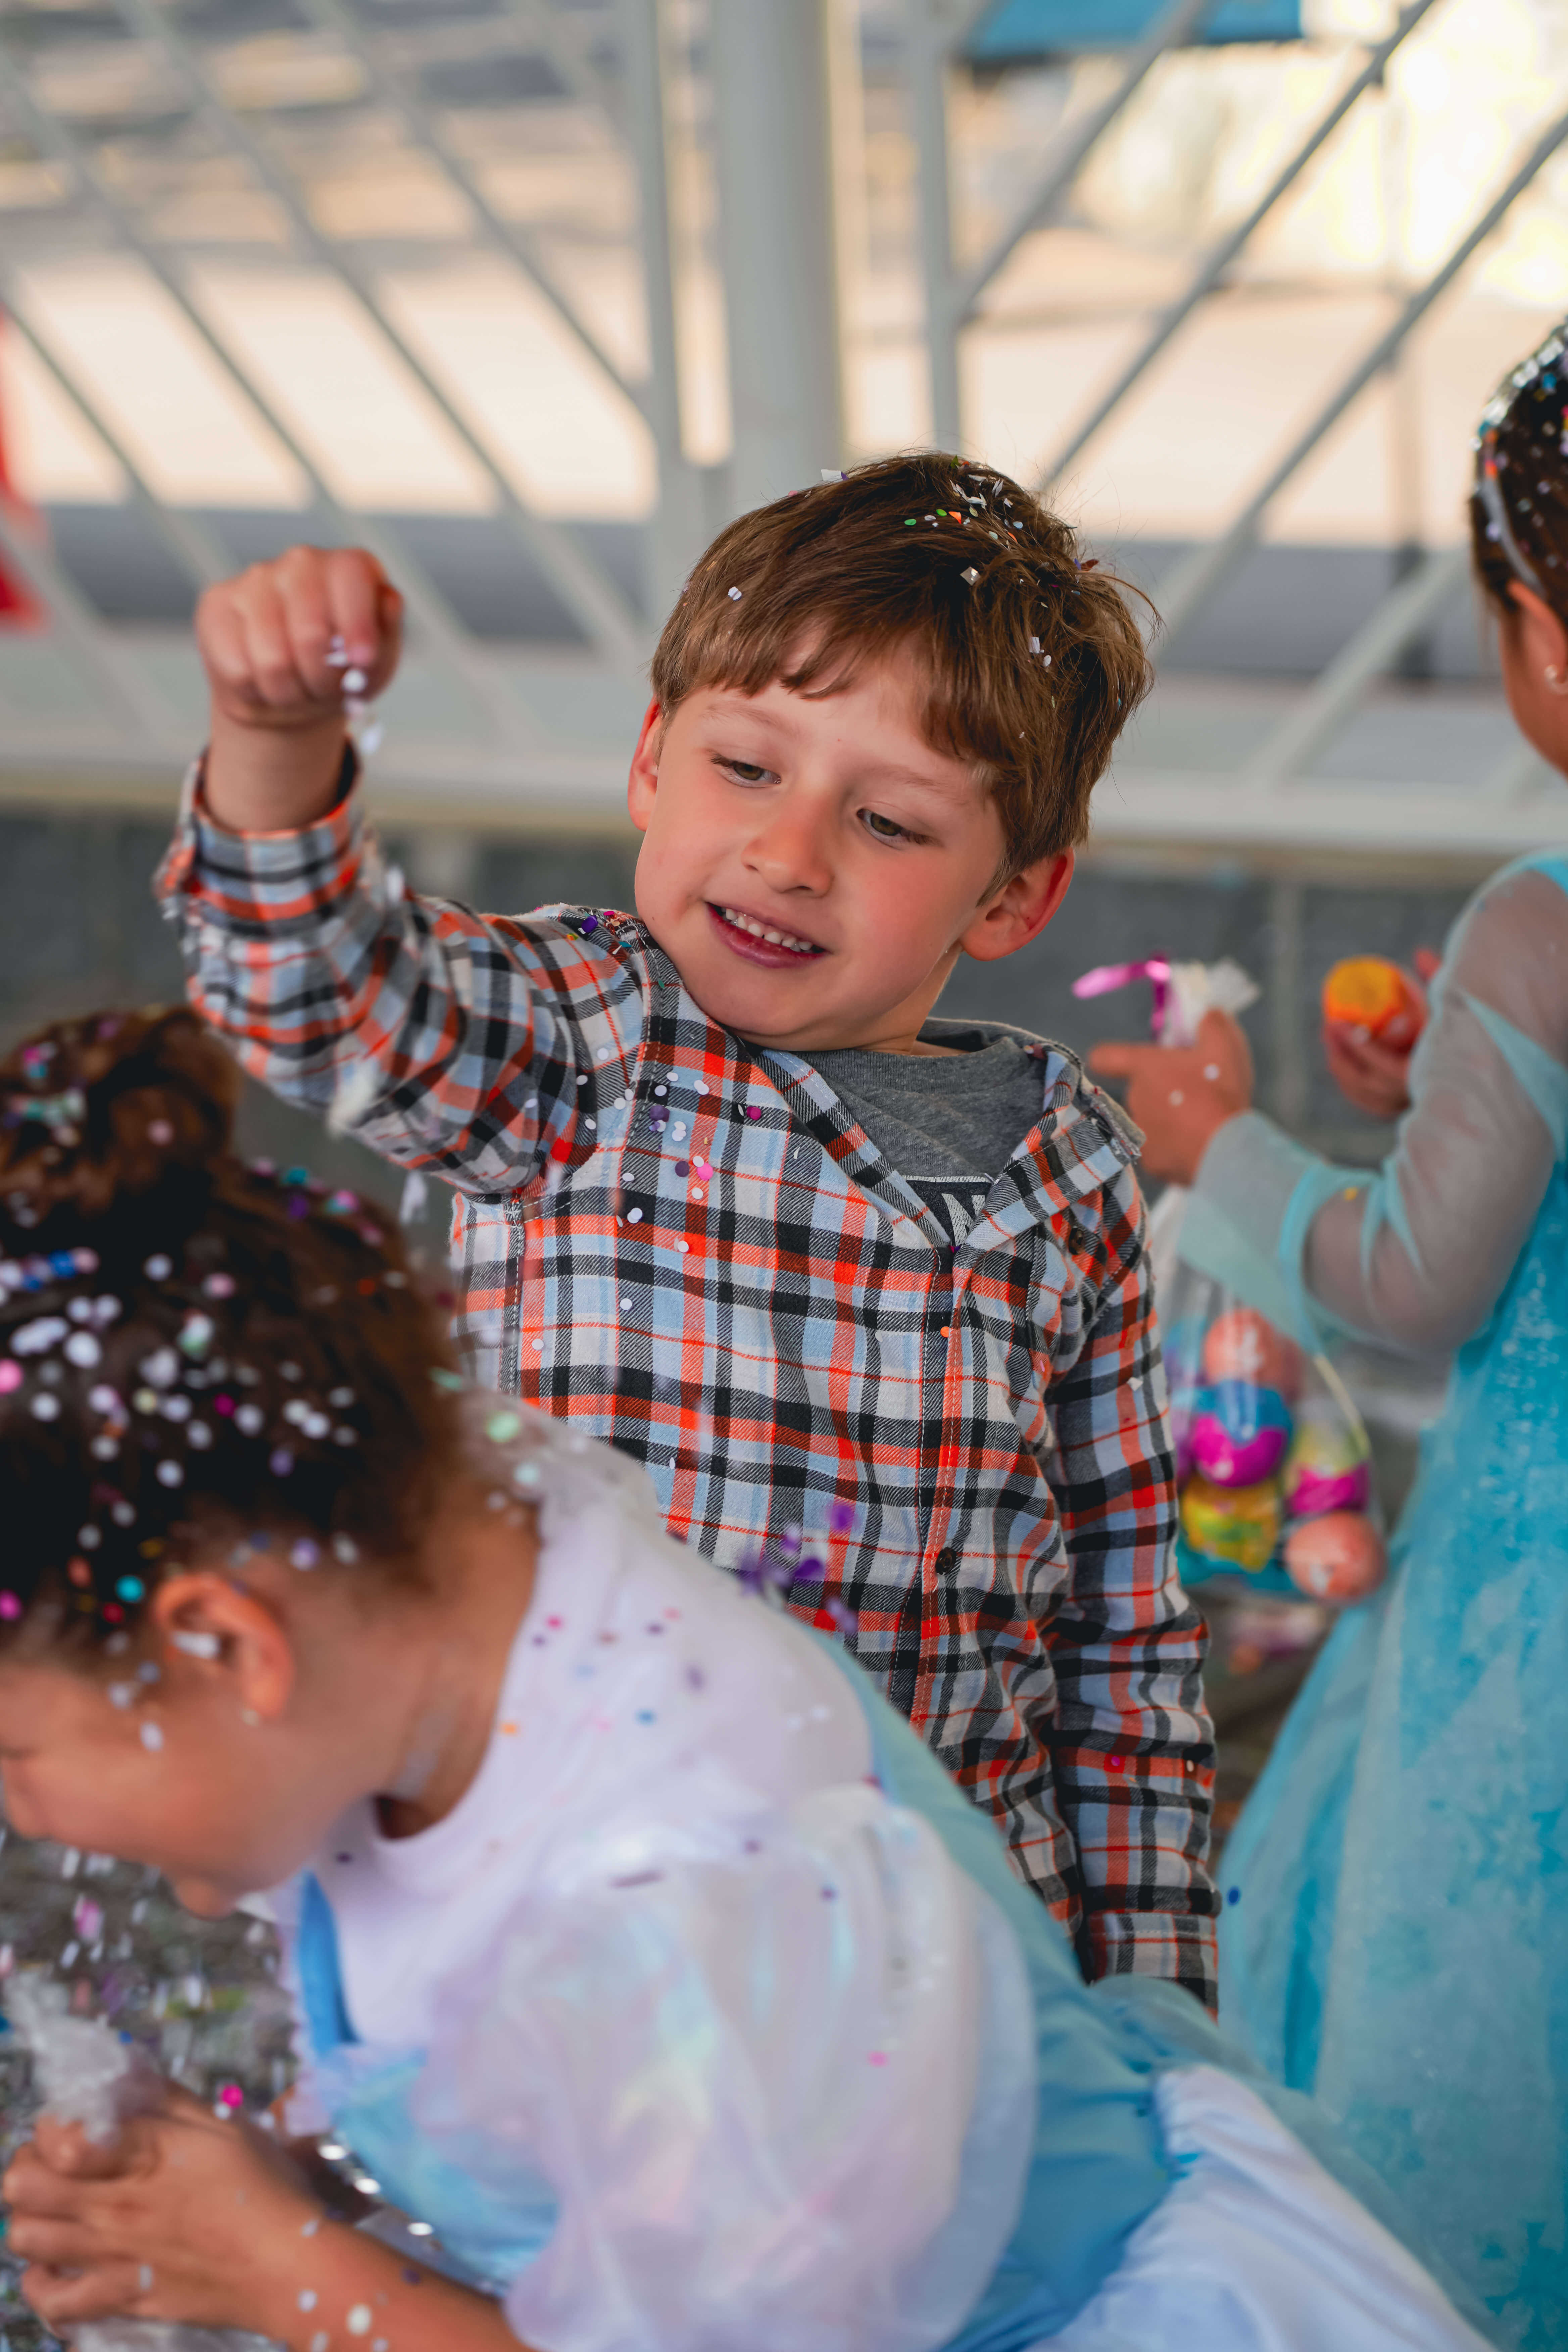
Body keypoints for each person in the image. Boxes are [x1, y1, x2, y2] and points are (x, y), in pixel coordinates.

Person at [0, 1005, 1490, 2352]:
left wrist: (285, 2271)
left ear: (227, 1647)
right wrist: (298, 2188)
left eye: (14, 1758)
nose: (22, 1817)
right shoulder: (421, 1593)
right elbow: (579, 2141)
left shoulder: (685, 1894)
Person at [154, 454, 1218, 2007]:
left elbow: (1124, 1648)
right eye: (746, 768)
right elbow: (312, 989)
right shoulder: (579, 1048)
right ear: (652, 759)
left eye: (889, 821)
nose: (790, 855)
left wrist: (1157, 2012)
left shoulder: (1074, 1175)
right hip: (565, 1943)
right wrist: (274, 739)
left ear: (1014, 896)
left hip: (934, 1972)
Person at [1088, 321, 1568, 2351]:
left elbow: (1413, 1282)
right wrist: (1458, 1084)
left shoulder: (1544, 921)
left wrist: (1228, 1149)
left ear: (1538, 632)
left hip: (1535, 1641)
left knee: (1483, 2066)